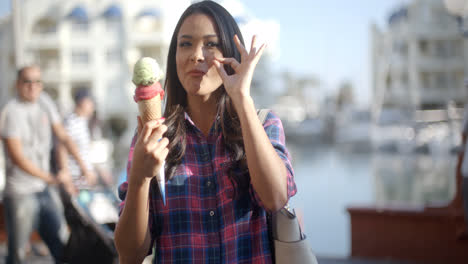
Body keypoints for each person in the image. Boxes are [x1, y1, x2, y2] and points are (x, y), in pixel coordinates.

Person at [114, 1, 297, 263]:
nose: (196, 55)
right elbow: (130, 253)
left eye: (210, 44)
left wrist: (242, 98)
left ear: (231, 54)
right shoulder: (152, 138)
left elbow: (276, 198)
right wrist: (140, 180)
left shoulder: (264, 125)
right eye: (185, 44)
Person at [0, 65, 96, 263]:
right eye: (27, 81)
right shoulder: (11, 111)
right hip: (20, 191)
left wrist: (84, 167)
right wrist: (52, 178)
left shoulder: (45, 102)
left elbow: (63, 136)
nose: (33, 86)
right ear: (18, 84)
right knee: (17, 254)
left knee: (61, 245)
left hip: (44, 190)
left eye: (37, 81)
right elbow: (17, 158)